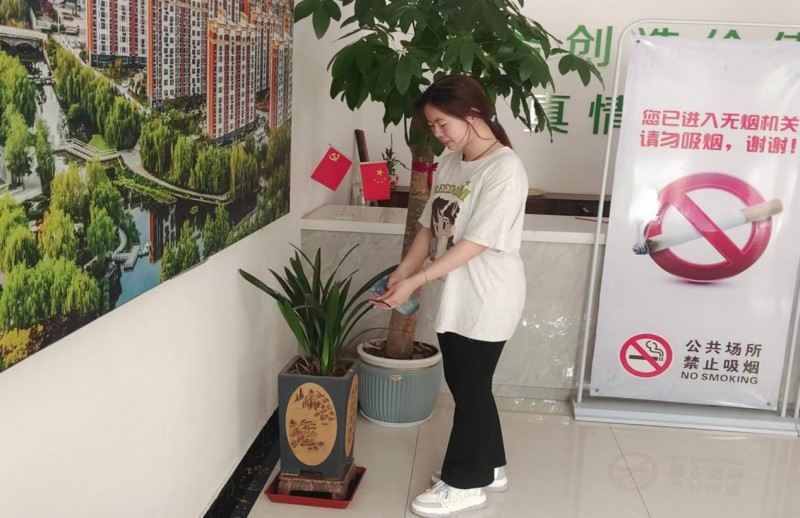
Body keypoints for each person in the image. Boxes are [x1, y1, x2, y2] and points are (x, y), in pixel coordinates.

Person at [372, 74, 528, 517]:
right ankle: (490, 466)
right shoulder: (452, 161)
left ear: (473, 115)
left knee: (471, 389)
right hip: (459, 293)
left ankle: (465, 483)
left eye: (443, 124)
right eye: (432, 126)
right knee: (469, 386)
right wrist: (401, 273)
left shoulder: (504, 169)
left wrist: (417, 281)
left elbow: (474, 243)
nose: (437, 134)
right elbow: (430, 227)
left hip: (488, 295)